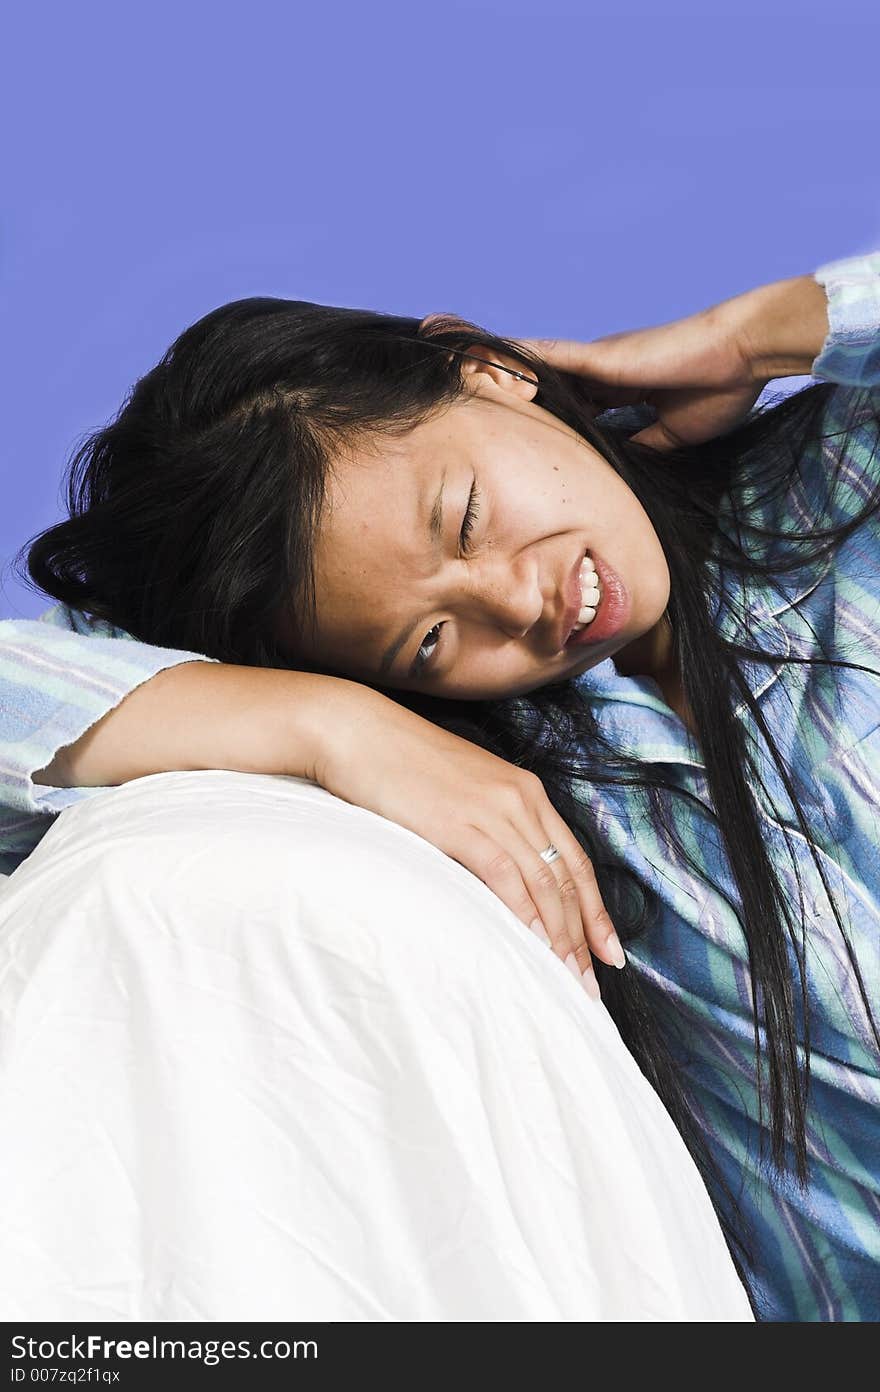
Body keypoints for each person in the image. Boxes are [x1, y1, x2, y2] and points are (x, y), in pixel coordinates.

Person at [1, 249, 878, 1320]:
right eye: (426, 642)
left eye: (464, 516)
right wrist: (332, 725)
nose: (515, 604)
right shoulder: (532, 778)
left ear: (485, 367)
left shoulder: (847, 480)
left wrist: (770, 330)